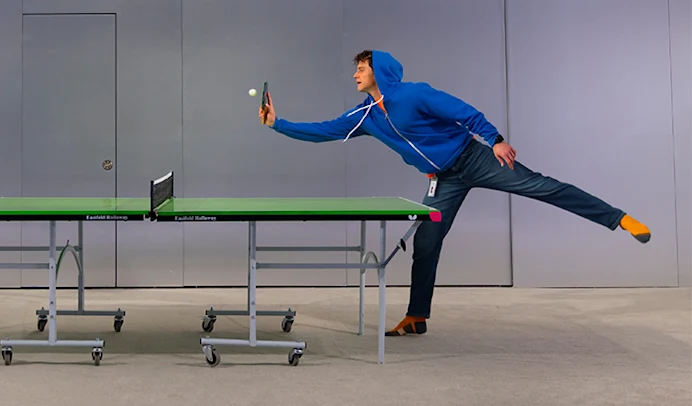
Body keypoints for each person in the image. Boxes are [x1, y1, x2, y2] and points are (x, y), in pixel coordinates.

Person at [259, 49, 651, 337]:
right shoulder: (365, 115)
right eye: (356, 70)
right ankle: (417, 316)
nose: (356, 75)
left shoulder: (413, 94)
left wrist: (494, 139)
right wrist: (278, 124)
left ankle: (618, 218)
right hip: (443, 179)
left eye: (361, 68)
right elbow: (323, 131)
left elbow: (461, 110)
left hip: (472, 158)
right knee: (426, 241)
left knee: (540, 186)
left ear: (379, 70)